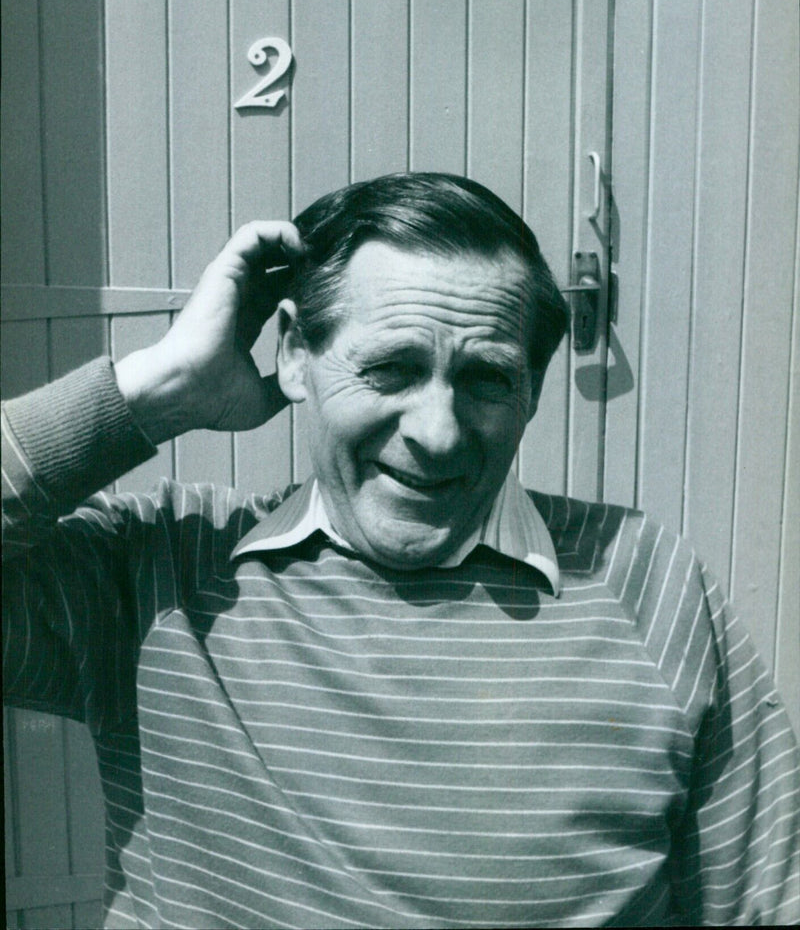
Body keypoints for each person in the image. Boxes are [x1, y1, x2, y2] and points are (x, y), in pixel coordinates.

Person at [3, 173, 798, 929]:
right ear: (293, 354)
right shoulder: (160, 572)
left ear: (533, 392)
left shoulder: (645, 581)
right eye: (392, 368)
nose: (438, 431)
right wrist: (157, 388)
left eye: (487, 379)